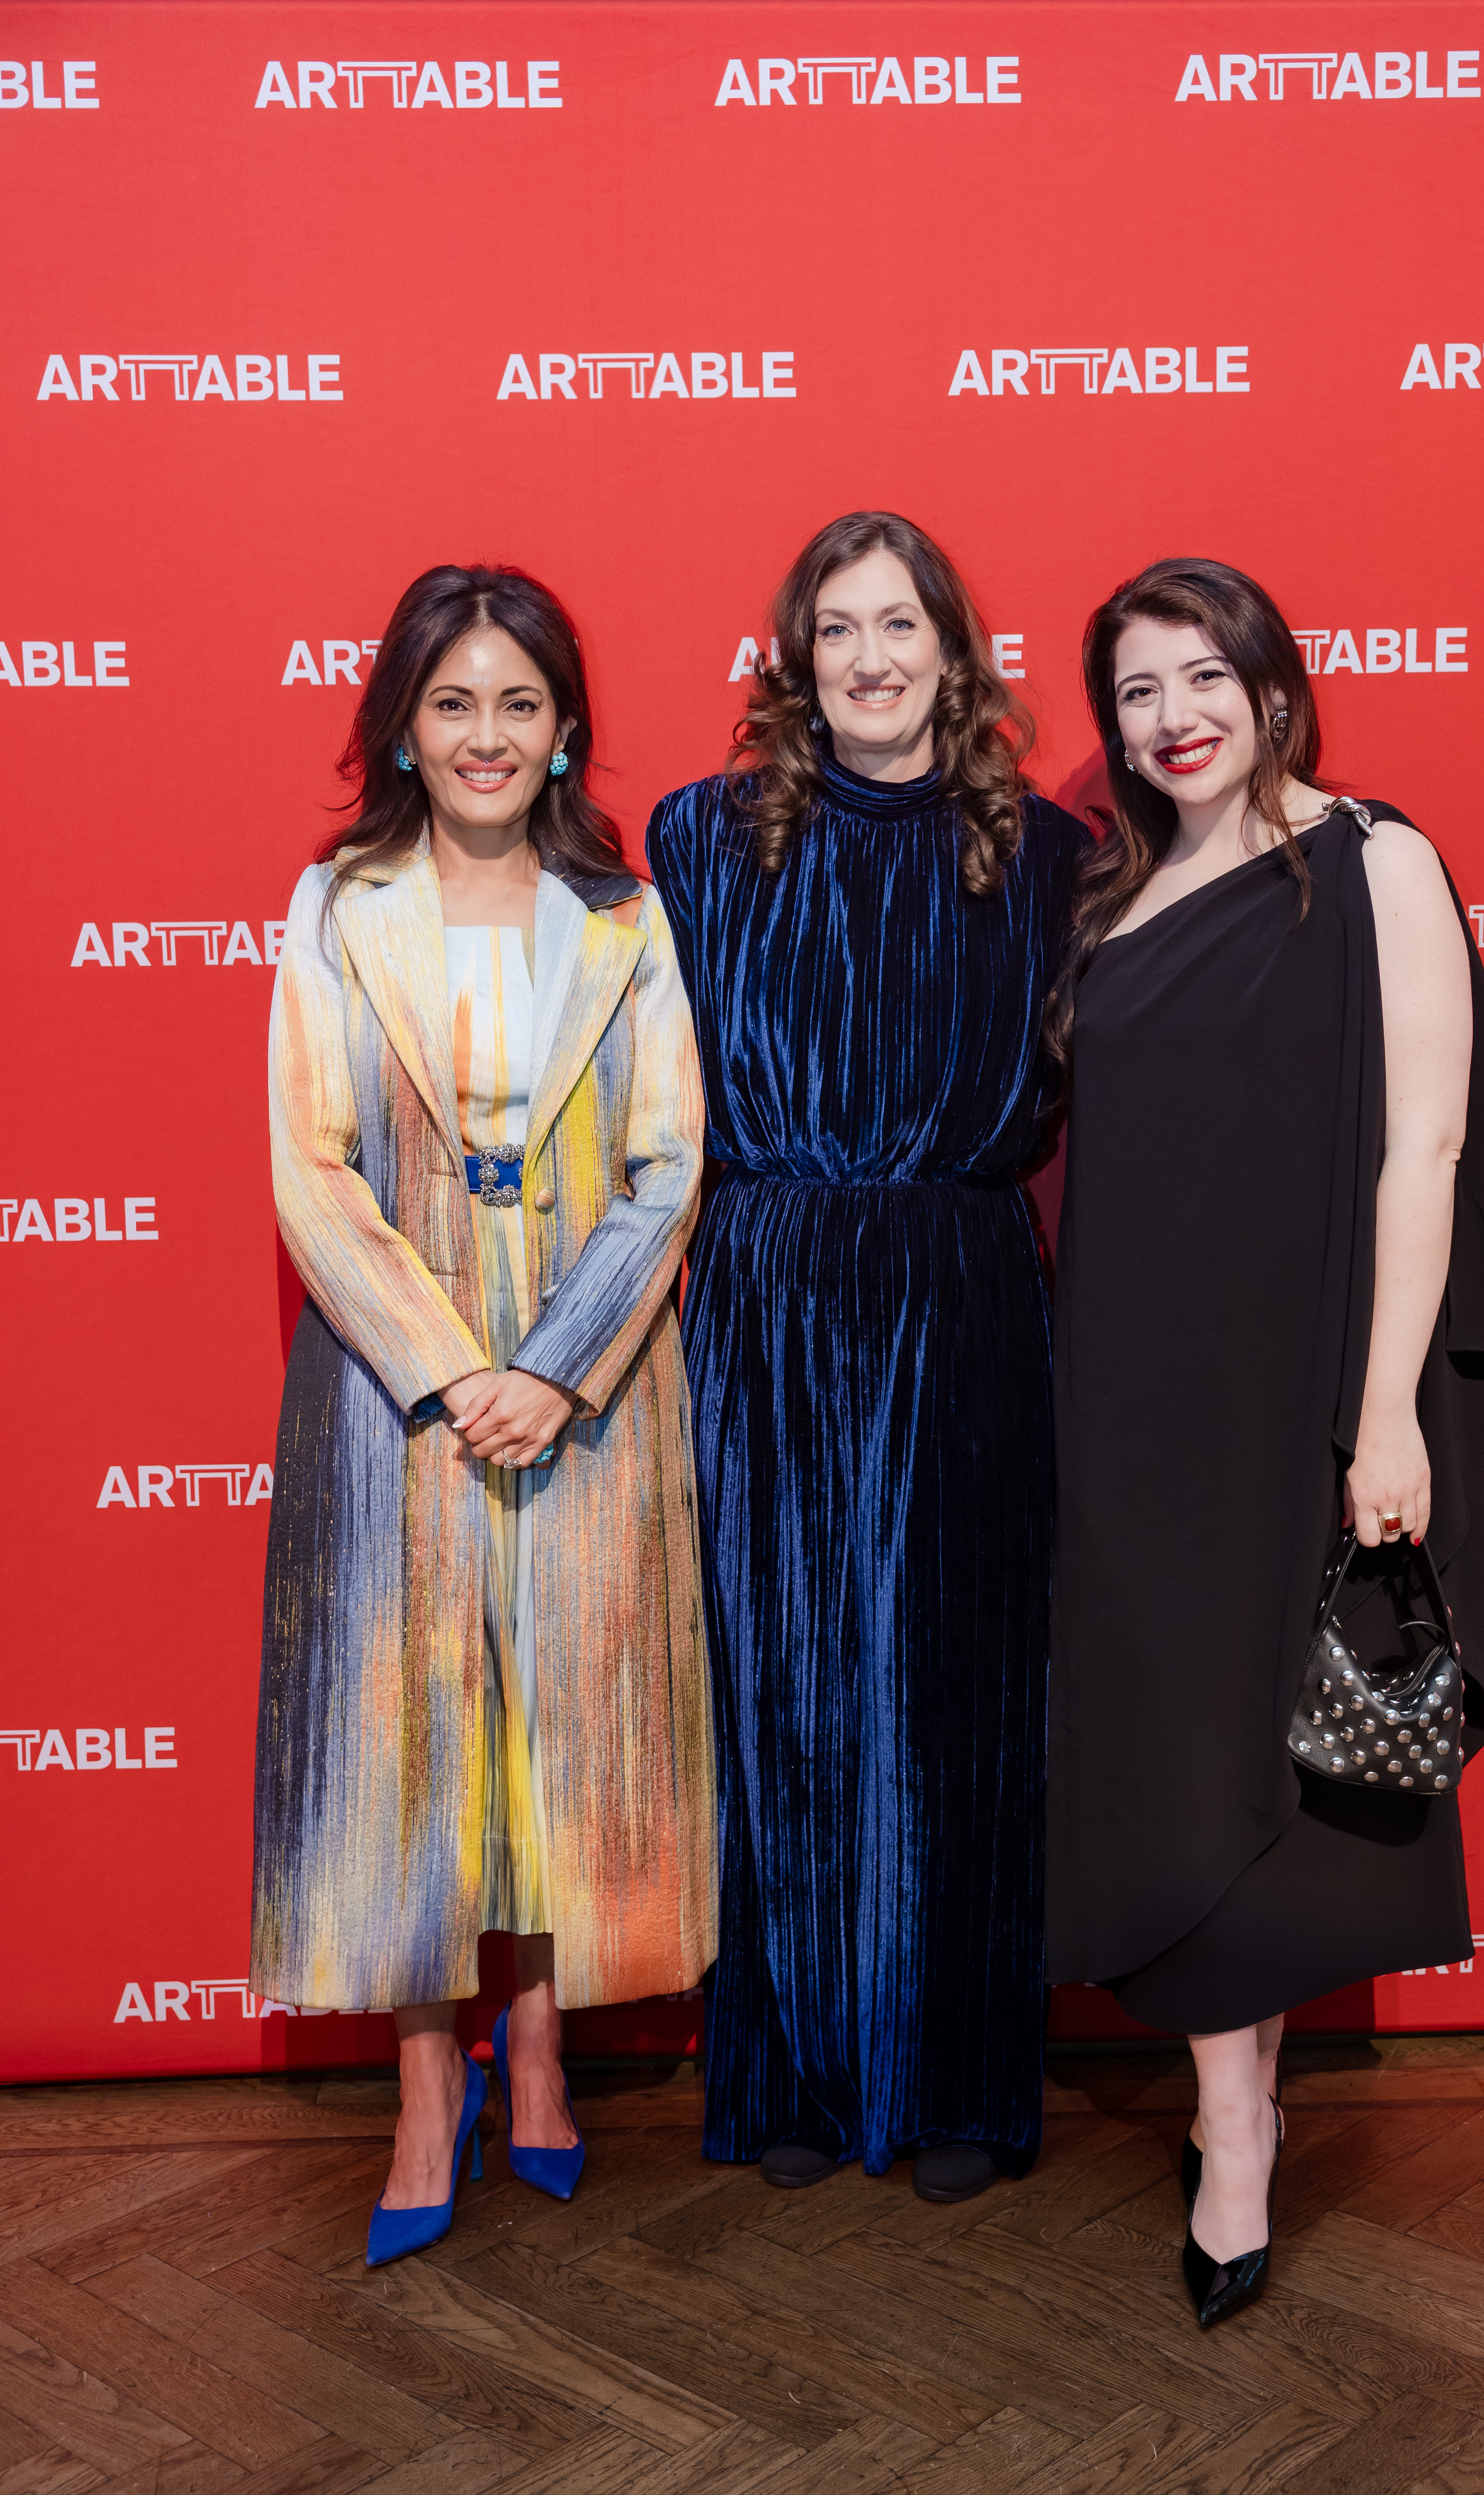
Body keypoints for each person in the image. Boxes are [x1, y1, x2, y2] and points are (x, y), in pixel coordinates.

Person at [1045, 558, 1484, 2325]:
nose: (1172, 714)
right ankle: (1224, 2094)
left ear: (1274, 681)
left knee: (1273, 1760)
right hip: (1127, 1405)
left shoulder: (1372, 861)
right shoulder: (1115, 892)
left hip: (1302, 1393)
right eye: (1134, 689)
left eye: (1204, 674)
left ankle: (1236, 2134)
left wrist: (1379, 1415)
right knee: (1170, 1756)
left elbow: (1418, 1150)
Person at [251, 562, 717, 2267]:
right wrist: (453, 1368)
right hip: (396, 1396)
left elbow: (668, 1162)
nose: (485, 732)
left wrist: (554, 1364)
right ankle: (424, 2080)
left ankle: (540, 2048)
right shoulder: (335, 905)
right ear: (404, 721)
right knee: (409, 1741)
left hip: (587, 1393)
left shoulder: (624, 915)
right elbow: (308, 1167)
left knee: (558, 1725)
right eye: (452, 700)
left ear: (563, 724)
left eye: (517, 700)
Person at [648, 511, 1085, 2201]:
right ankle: (800, 2073)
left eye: (900, 624)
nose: (872, 658)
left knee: (957, 1680)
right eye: (837, 629)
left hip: (965, 1285)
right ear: (794, 658)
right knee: (782, 1673)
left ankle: (959, 2074)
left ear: (955, 653)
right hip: (761, 1290)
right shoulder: (696, 843)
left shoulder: (1048, 858)